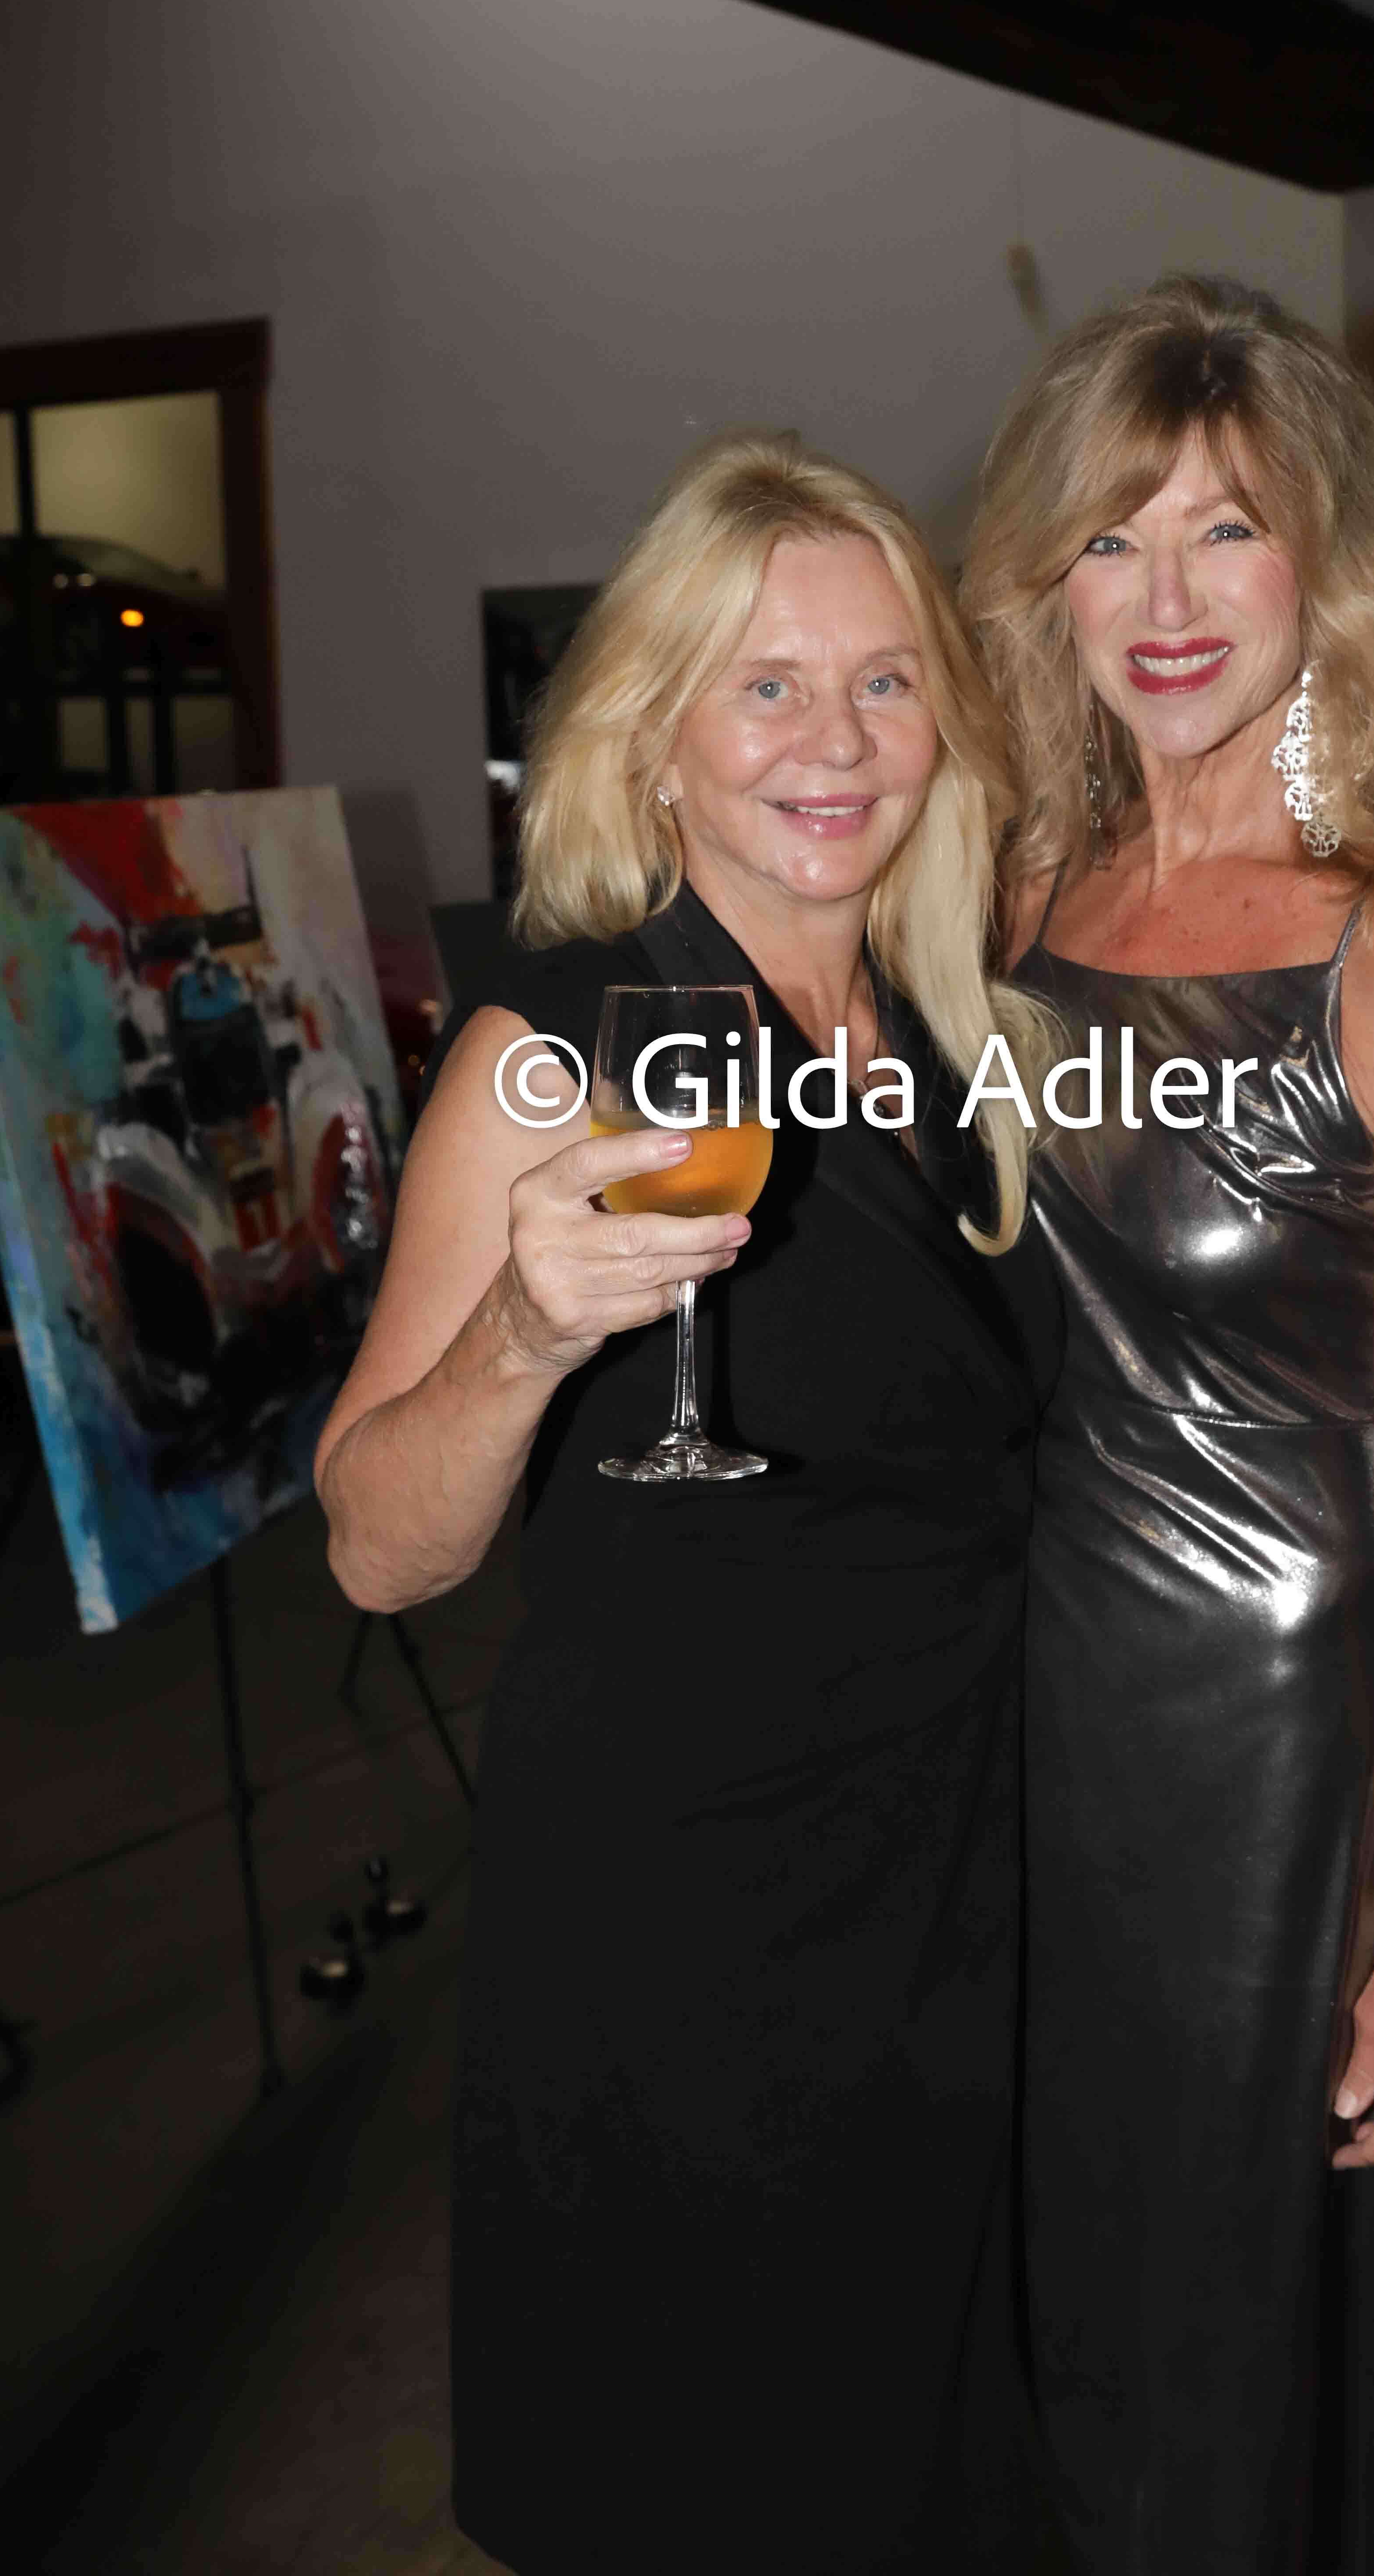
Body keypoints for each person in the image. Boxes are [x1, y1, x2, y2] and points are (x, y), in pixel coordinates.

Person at [315, 434, 1061, 2575]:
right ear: (655, 740)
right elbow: (377, 1547)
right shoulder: (553, 1054)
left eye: (886, 681)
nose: (839, 738)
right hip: (704, 1916)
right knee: (734, 2480)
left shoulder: (958, 1031)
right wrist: (520, 1336)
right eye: (767, 685)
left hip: (960, 1872)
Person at [966, 276, 1374, 2574]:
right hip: (1023, 1712)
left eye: (1225, 529)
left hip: (1280, 1740)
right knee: (1066, 2302)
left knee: (1242, 2340)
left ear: (1326, 565)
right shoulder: (1010, 905)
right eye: (1112, 539)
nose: (1167, 597)